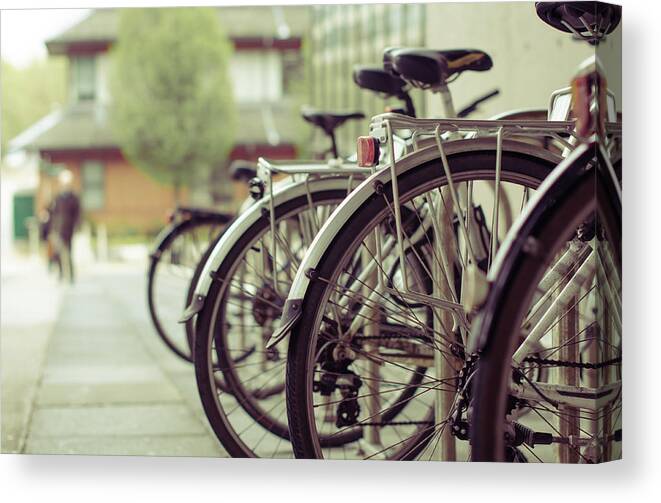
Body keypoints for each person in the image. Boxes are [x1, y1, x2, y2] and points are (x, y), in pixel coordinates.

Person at [49, 170, 80, 283]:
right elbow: (53, 214)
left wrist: (77, 227)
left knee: (69, 252)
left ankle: (71, 276)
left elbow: (78, 214)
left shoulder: (74, 198)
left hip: (69, 229)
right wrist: (52, 229)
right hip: (58, 229)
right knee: (58, 252)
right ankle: (61, 274)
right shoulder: (58, 198)